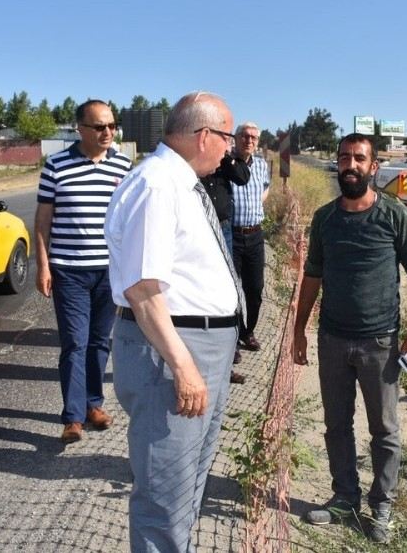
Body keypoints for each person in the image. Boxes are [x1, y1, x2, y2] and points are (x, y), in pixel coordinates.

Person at [105, 91, 243, 552]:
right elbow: (143, 291)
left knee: (187, 482)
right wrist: (184, 368)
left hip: (198, 346)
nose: (230, 149)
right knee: (165, 492)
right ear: (205, 136)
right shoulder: (158, 185)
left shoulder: (177, 183)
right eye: (226, 138)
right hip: (173, 350)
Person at [292, 133, 407, 544]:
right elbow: (312, 276)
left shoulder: (393, 215)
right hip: (333, 339)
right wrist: (299, 331)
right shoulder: (325, 220)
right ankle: (344, 498)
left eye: (358, 159)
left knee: (385, 429)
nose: (350, 165)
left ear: (373, 167)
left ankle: (382, 506)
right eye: (344, 158)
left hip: (381, 344)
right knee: (336, 424)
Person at [35, 99, 132, 444]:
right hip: (69, 271)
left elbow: (129, 221)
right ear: (80, 129)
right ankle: (73, 417)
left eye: (111, 125)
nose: (107, 132)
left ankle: (94, 404)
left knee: (98, 342)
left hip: (108, 272)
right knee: (74, 343)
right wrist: (43, 265)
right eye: (99, 127)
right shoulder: (56, 165)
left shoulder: (123, 165)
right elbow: (43, 219)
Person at [200, 151, 251, 384]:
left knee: (227, 290)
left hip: (224, 228)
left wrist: (225, 156)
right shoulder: (194, 162)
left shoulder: (226, 161)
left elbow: (242, 177)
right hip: (200, 231)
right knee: (203, 295)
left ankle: (227, 358)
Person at [230, 122, 270, 352]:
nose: (249, 140)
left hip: (255, 235)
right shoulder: (226, 163)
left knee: (254, 290)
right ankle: (231, 341)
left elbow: (266, 188)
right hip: (232, 236)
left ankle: (248, 332)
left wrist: (255, 208)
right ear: (236, 138)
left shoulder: (262, 165)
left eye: (254, 137)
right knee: (232, 291)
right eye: (245, 136)